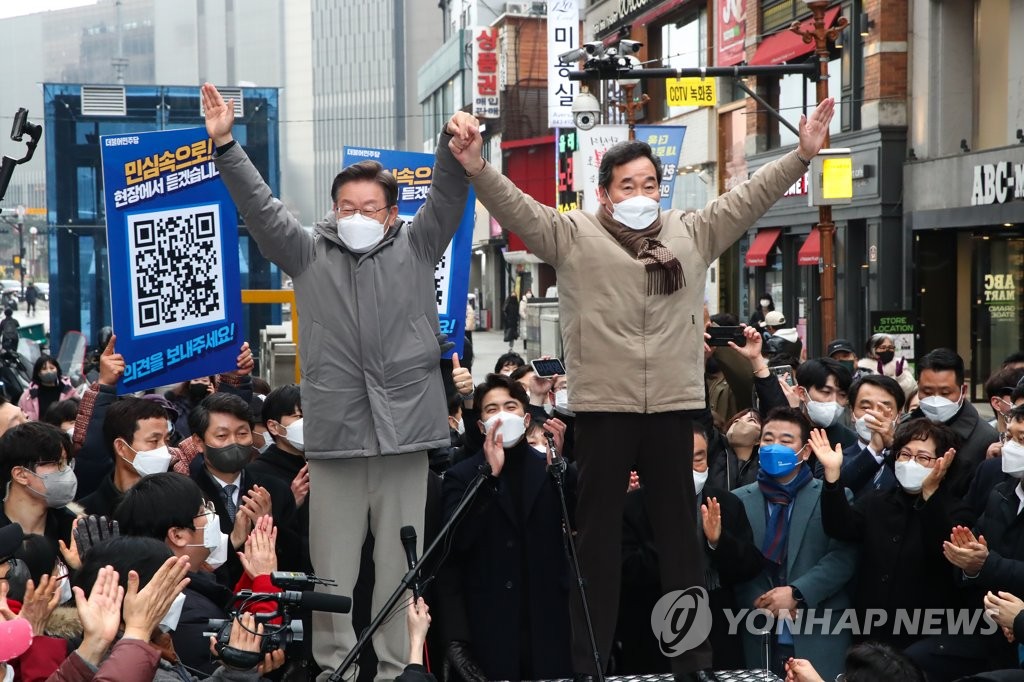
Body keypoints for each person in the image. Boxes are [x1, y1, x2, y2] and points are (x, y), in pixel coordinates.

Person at [450, 92, 836, 681]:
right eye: (627, 185)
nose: (640, 195)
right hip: (604, 410)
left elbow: (750, 197)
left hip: (676, 408)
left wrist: (802, 155)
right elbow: (519, 208)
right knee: (597, 546)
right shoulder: (573, 233)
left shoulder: (692, 231)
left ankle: (694, 664)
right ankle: (589, 666)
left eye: (650, 183)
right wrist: (478, 165)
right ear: (604, 192)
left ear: (664, 188)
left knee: (682, 547)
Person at [205, 83, 477, 681]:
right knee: (331, 566)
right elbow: (259, 206)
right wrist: (225, 143)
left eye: (370, 207)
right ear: (332, 211)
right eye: (346, 207)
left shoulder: (418, 245)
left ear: (392, 212)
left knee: (395, 566)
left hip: (406, 436)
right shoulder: (306, 253)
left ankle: (391, 668)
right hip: (335, 439)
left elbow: (449, 197)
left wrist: (450, 143)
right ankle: (334, 668)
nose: (356, 217)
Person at [441, 374, 571, 681]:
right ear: (481, 425)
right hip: (491, 627)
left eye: (510, 407)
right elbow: (456, 542)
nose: (502, 415)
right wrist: (489, 478)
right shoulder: (461, 475)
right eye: (491, 409)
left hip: (548, 625)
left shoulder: (549, 468)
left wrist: (560, 466)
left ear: (526, 420)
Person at [813, 418, 974, 649]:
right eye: (904, 454)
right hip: (869, 631)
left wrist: (930, 494)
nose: (910, 463)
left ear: (944, 463)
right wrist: (832, 476)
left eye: (922, 458)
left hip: (924, 637)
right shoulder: (878, 501)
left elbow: (944, 553)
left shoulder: (957, 511)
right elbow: (840, 526)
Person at [732, 407, 857, 680]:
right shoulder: (738, 499)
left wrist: (797, 593)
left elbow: (843, 556)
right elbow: (734, 558)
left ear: (806, 451)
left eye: (786, 441)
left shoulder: (834, 496)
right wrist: (760, 599)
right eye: (767, 439)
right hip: (757, 628)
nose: (774, 447)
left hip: (818, 630)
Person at [907, 348, 998, 497]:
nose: (936, 400)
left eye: (945, 393)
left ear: (963, 390)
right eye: (927, 392)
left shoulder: (986, 439)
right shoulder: (905, 428)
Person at [0, 422, 76, 548]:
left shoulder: (72, 530)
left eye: (67, 463)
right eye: (57, 463)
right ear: (21, 474)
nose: (67, 471)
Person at [835, 375, 904, 498]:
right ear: (852, 413)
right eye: (866, 407)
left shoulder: (912, 458)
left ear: (898, 415)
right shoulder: (834, 459)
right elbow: (835, 494)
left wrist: (891, 447)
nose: (875, 415)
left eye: (885, 408)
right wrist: (873, 449)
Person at [857, 333, 917, 399]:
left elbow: (911, 392)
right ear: (871, 351)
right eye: (883, 347)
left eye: (891, 347)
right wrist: (878, 376)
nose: (887, 350)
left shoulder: (901, 367)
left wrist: (901, 377)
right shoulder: (863, 370)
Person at [18, 355, 76, 422]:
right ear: (38, 373)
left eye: (52, 368)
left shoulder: (69, 391)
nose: (49, 371)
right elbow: (21, 417)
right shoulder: (28, 395)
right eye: (44, 369)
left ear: (57, 369)